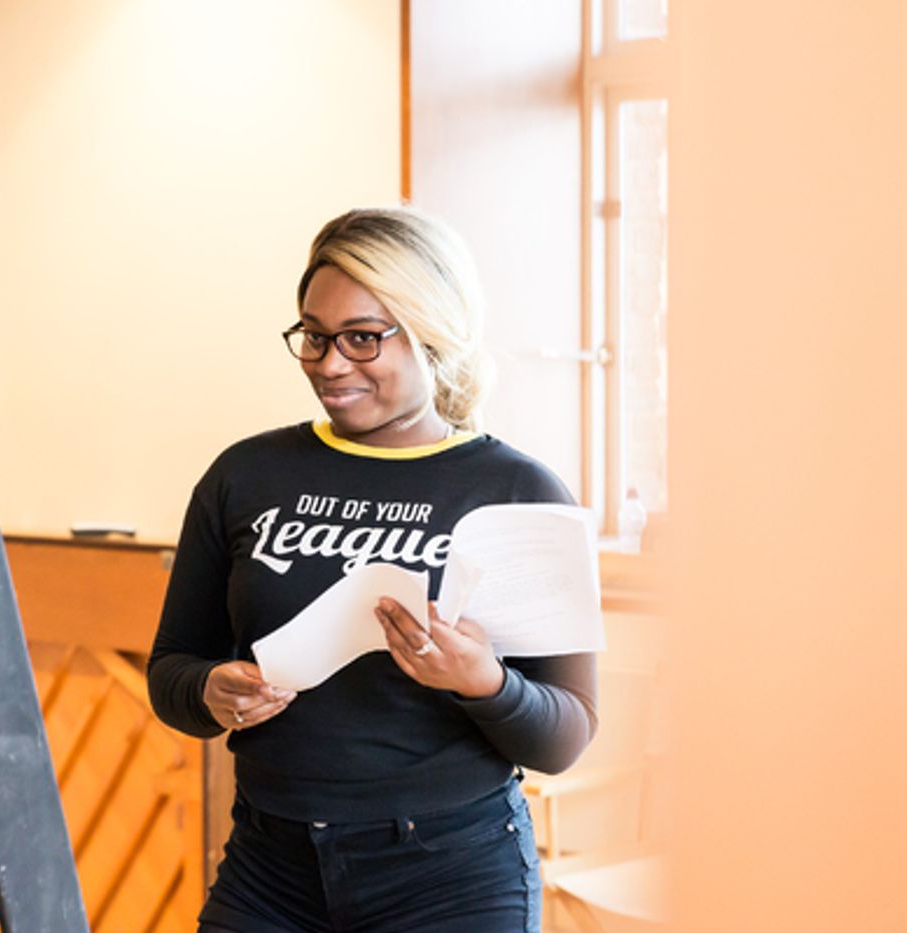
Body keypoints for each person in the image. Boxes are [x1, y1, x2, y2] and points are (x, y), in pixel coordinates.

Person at [147, 206, 598, 933]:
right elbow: (171, 670)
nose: (330, 364)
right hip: (269, 869)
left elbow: (566, 735)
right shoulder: (245, 475)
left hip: (450, 879)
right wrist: (210, 690)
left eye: (362, 337)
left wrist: (482, 681)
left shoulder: (518, 491)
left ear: (431, 333)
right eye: (314, 336)